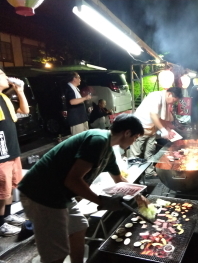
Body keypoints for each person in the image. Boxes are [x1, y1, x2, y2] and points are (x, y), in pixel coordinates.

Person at [18, 114, 148, 263]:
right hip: (42, 193)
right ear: (127, 133)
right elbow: (72, 181)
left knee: (79, 227)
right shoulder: (98, 140)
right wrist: (101, 202)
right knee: (55, 252)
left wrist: (138, 197)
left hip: (62, 194)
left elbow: (119, 179)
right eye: (135, 137)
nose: (134, 142)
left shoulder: (108, 151)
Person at [0, 67, 29, 237]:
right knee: (1, 190)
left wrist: (20, 91)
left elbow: (24, 111)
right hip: (1, 154)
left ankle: (7, 215)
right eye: (2, 74)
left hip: (12, 150)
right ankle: (0, 223)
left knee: (10, 187)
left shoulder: (4, 98)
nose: (6, 77)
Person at [130, 87, 183, 178]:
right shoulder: (156, 96)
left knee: (149, 152)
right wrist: (163, 130)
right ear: (169, 94)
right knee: (136, 154)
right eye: (174, 100)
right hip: (139, 127)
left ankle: (149, 172)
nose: (173, 103)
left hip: (151, 128)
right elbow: (153, 115)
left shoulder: (165, 101)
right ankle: (133, 176)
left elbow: (161, 118)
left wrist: (168, 130)